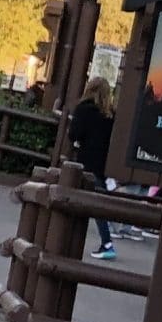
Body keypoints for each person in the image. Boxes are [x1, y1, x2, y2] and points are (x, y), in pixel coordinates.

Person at [68, 79, 117, 257]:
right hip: (103, 163)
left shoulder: (84, 109)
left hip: (85, 160)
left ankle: (107, 242)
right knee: (98, 202)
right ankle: (106, 242)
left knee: (82, 199)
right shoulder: (111, 114)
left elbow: (73, 134)